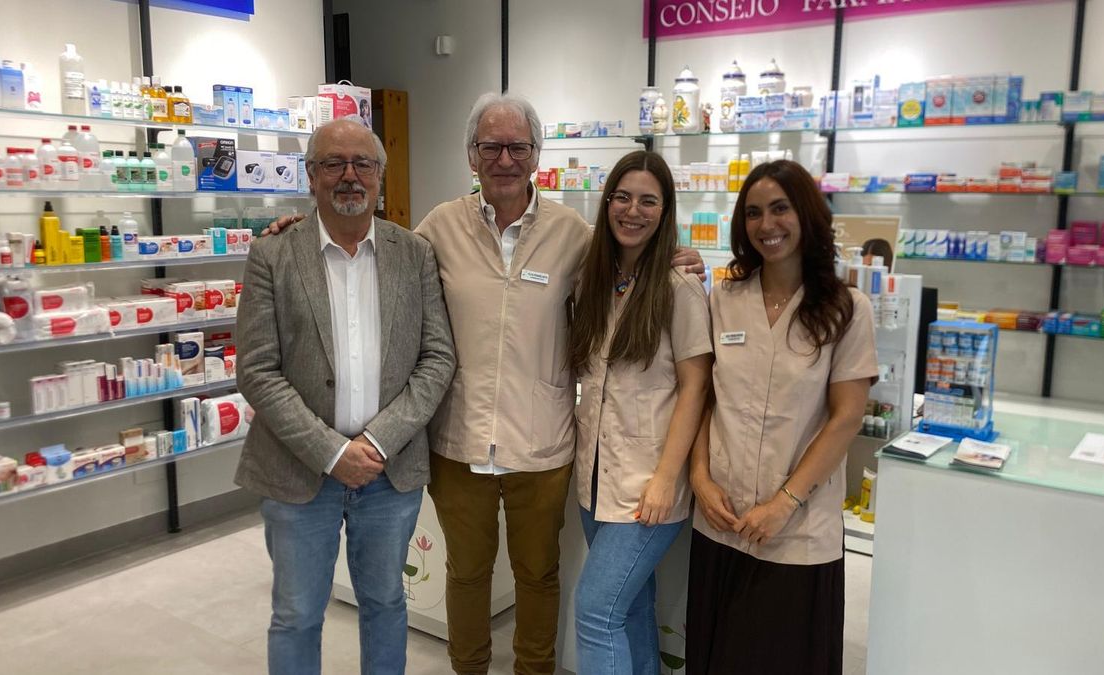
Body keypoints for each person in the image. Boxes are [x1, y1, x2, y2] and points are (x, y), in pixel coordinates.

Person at [265, 92, 704, 675]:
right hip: (459, 441)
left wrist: (680, 257)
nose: (504, 159)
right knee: (466, 575)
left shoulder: (574, 234)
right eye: (490, 147)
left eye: (517, 147)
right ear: (471, 155)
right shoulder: (437, 229)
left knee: (538, 576)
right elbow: (373, 252)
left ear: (536, 156)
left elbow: (629, 256)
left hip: (542, 444)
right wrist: (299, 228)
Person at [235, 116, 456, 675]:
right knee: (297, 613)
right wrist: (332, 452)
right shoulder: (273, 255)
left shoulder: (415, 253)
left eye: (363, 163)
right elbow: (258, 370)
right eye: (334, 163)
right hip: (297, 472)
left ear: (381, 176)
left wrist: (378, 441)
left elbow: (438, 358)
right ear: (311, 177)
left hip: (389, 473)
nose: (350, 176)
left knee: (385, 603)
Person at [685, 159, 879, 674]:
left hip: (796, 530)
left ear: (807, 215)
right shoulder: (724, 296)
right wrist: (700, 478)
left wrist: (783, 504)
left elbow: (846, 419)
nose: (766, 225)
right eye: (753, 213)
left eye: (779, 209)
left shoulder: (846, 307)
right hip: (721, 519)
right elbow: (705, 396)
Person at [569, 150, 712, 675]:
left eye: (648, 200)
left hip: (649, 486)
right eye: (623, 197)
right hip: (595, 479)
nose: (633, 210)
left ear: (666, 210)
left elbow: (697, 388)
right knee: (628, 608)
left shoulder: (681, 289)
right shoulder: (593, 281)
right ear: (607, 203)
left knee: (594, 612)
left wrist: (665, 480)